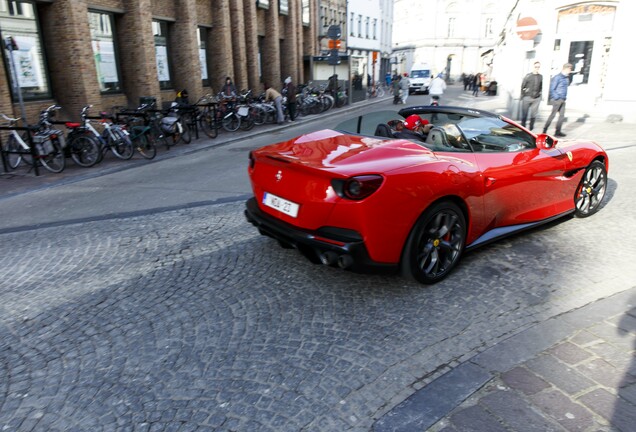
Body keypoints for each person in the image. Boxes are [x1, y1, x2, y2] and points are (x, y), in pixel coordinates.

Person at [542, 63, 573, 137]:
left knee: (561, 116)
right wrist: (557, 97)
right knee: (553, 115)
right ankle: (544, 130)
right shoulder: (557, 77)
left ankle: (558, 131)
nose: (570, 71)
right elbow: (552, 88)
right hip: (557, 99)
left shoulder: (566, 78)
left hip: (563, 99)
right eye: (569, 69)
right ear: (566, 69)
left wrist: (563, 98)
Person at [519, 62, 543, 130]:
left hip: (536, 98)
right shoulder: (528, 76)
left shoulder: (540, 76)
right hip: (527, 97)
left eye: (538, 67)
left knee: (533, 115)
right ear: (533, 67)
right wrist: (523, 95)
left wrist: (540, 95)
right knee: (524, 114)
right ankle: (523, 129)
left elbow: (541, 86)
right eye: (536, 67)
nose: (537, 68)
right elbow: (523, 86)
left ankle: (531, 129)